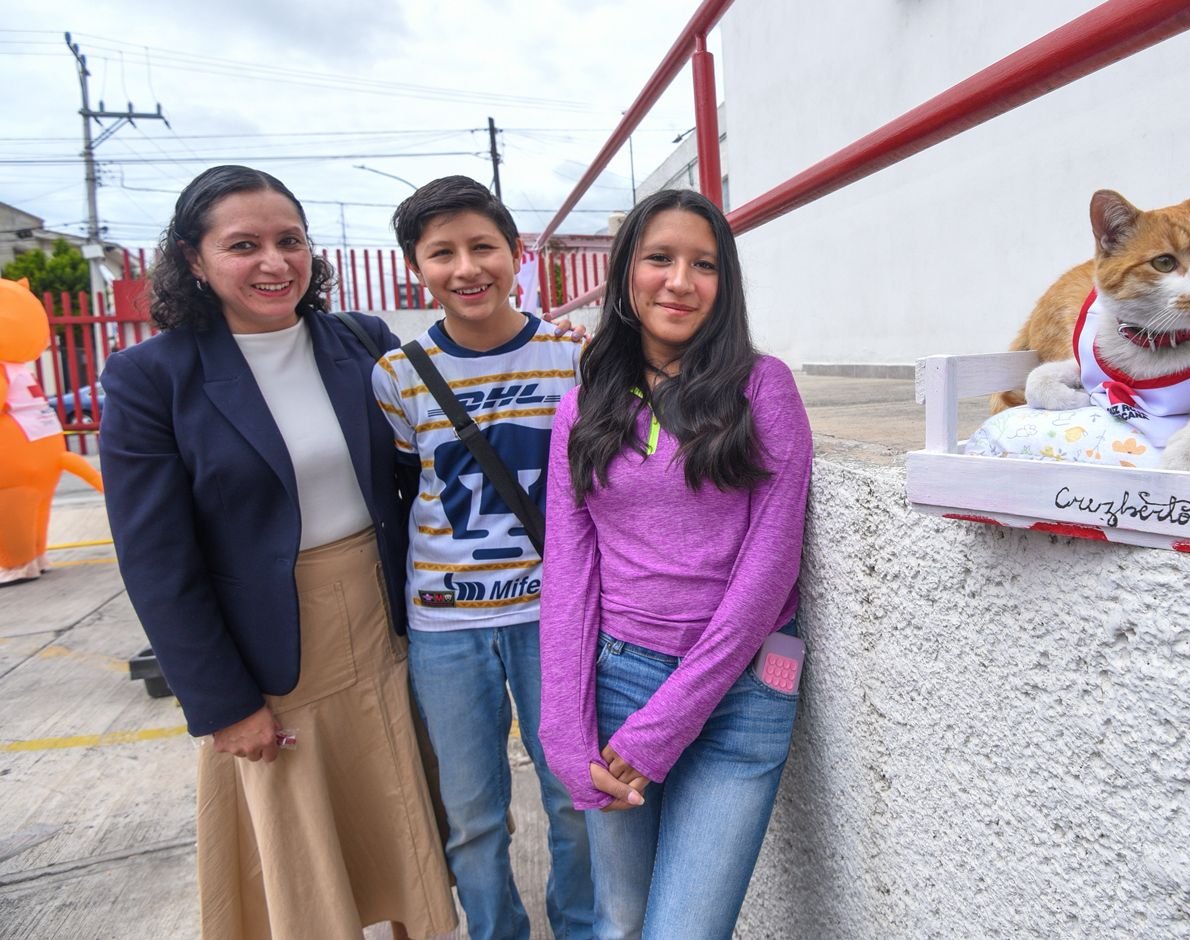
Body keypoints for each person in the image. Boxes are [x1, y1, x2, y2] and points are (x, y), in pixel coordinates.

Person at [99, 165, 455, 940]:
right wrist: (223, 704)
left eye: (290, 240)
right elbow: (156, 560)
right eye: (243, 245)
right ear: (193, 259)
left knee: (409, 822)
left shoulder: (360, 342)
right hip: (274, 653)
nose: (274, 262)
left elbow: (440, 444)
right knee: (304, 865)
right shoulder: (151, 379)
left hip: (390, 625)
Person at [538, 188, 813, 939]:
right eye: (659, 258)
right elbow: (569, 575)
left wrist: (668, 724)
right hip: (619, 684)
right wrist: (563, 731)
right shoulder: (582, 409)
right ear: (627, 271)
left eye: (705, 265)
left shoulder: (763, 388)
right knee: (621, 922)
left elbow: (770, 572)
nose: (680, 282)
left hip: (745, 690)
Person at [371, 175, 594, 940]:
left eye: (483, 247)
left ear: (517, 253)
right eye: (442, 254)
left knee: (573, 799)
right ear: (415, 267)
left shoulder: (572, 358)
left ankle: (581, 927)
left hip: (553, 618)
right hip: (445, 627)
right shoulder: (397, 375)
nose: (466, 269)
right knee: (471, 816)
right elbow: (406, 488)